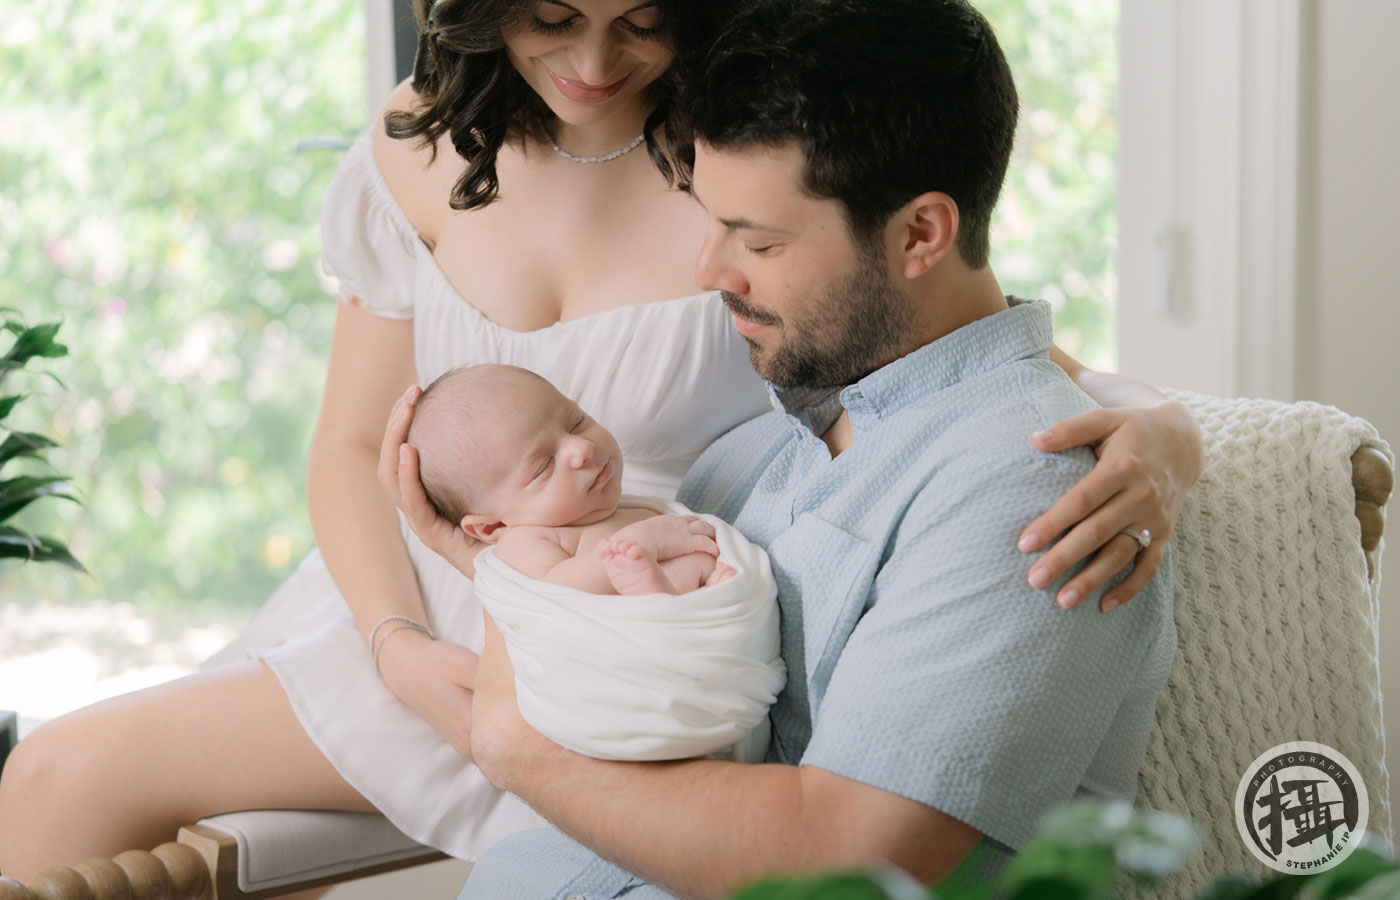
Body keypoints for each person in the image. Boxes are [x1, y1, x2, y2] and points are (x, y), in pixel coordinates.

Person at [0, 0, 1199, 881]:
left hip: (639, 612)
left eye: (636, 20)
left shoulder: (761, 168)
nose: (590, 61)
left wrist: (1165, 430)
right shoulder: (427, 146)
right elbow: (347, 440)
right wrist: (405, 640)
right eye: (552, 16)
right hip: (437, 595)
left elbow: (968, 350)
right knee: (60, 780)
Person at [377, 1, 1179, 897]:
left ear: (920, 235)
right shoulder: (754, 452)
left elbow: (849, 858)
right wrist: (505, 568)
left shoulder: (1035, 494)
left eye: (758, 241)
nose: (709, 273)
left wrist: (510, 740)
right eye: (710, 224)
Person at [409, 363, 785, 763]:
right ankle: (662, 600)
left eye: (575, 421)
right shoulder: (524, 540)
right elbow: (555, 588)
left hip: (698, 641)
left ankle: (690, 601)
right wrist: (647, 540)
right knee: (639, 568)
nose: (580, 449)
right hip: (630, 666)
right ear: (491, 527)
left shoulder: (626, 506)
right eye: (542, 466)